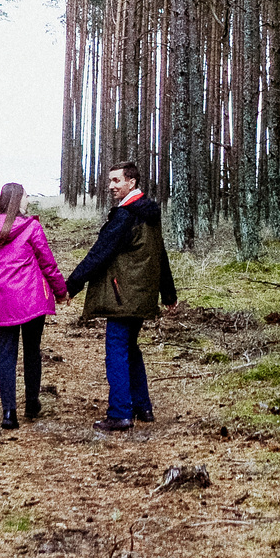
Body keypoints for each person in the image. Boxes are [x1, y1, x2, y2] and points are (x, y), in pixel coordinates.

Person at [62, 160, 178, 432]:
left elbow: (99, 253)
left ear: (131, 182)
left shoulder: (126, 215)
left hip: (122, 296)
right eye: (110, 180)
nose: (111, 186)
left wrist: (71, 286)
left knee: (116, 350)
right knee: (130, 348)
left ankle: (120, 413)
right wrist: (168, 293)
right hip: (140, 295)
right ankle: (142, 407)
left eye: (116, 180)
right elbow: (161, 255)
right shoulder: (147, 212)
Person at [0, 182, 66, 430]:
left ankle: (9, 413)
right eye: (27, 196)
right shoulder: (32, 227)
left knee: (6, 356)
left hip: (1, 299)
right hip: (31, 299)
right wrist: (61, 291)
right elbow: (47, 263)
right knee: (32, 351)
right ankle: (31, 403)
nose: (29, 199)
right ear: (18, 200)